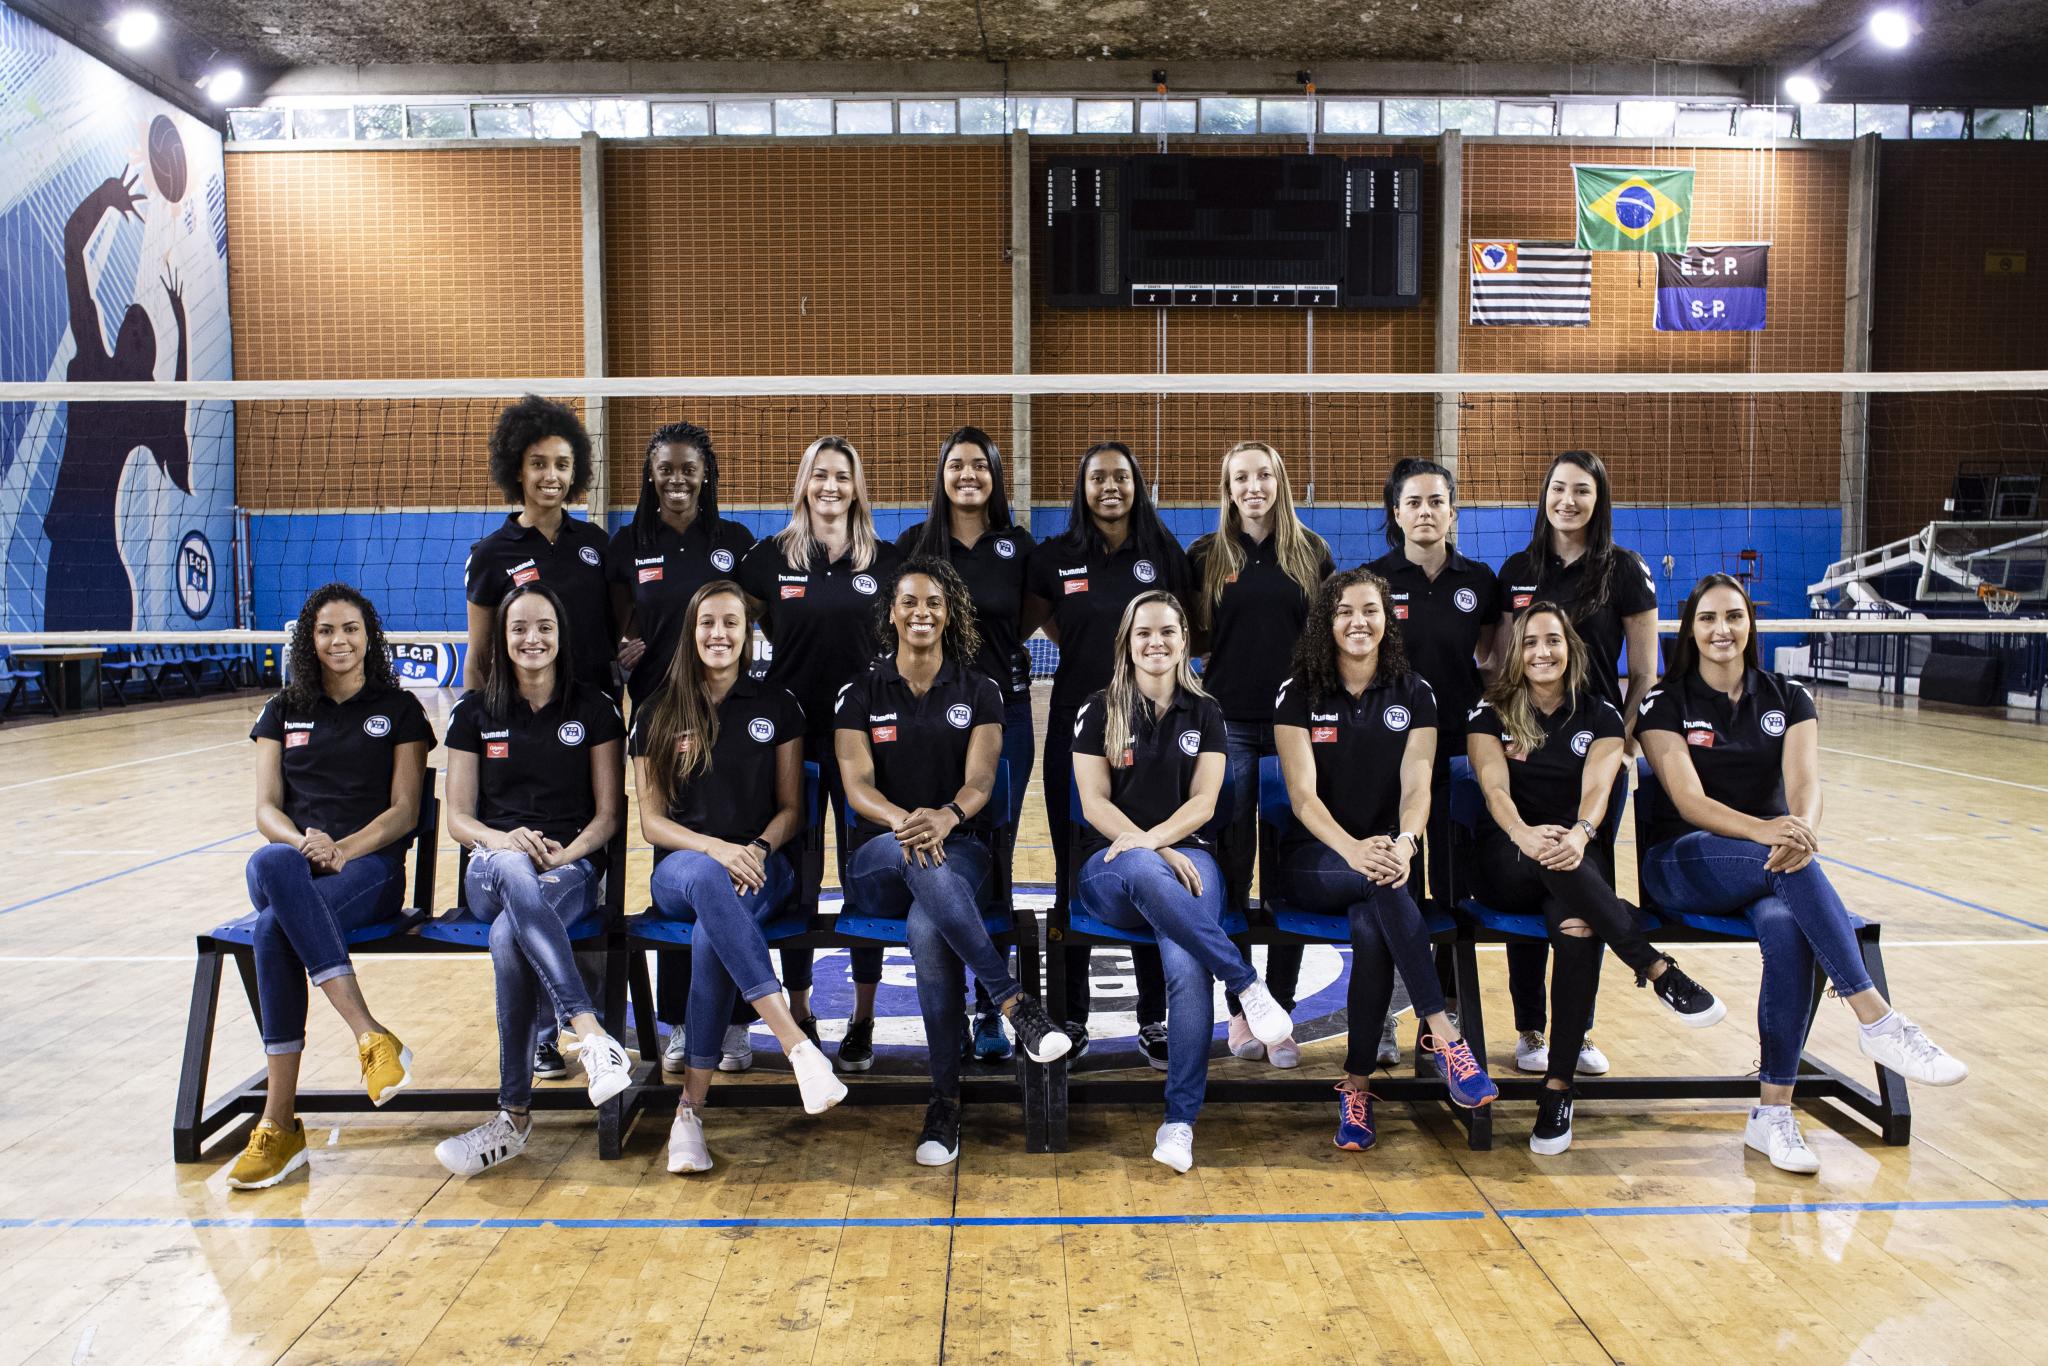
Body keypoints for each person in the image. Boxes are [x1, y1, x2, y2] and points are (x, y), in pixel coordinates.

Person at [1637, 574, 1966, 1174]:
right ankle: (1875, 1015)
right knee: (1783, 866)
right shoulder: (1665, 703)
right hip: (1682, 863)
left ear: (1750, 625)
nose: (1722, 630)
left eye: (1734, 617)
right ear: (1690, 628)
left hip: (1773, 868)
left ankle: (1772, 1114)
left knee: (1789, 929)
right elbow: (1689, 802)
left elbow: (1806, 786)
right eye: (1708, 618)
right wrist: (1772, 831)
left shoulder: (1789, 697)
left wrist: (1801, 832)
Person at [1468, 602, 1725, 1156]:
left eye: (1553, 641)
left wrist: (1581, 833)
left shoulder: (1602, 714)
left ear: (1570, 649)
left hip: (1576, 854)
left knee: (1580, 924)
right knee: (1557, 865)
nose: (1542, 651)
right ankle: (1655, 967)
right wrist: (1524, 834)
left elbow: (1599, 789)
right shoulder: (1489, 712)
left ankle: (1558, 1090)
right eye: (1531, 642)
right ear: (1517, 652)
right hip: (1508, 856)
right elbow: (1493, 789)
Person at [836, 558, 1070, 1165]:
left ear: (950, 614)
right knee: (919, 867)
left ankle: (944, 1102)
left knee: (928, 924)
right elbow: (857, 785)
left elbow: (981, 779)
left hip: (958, 849)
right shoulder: (859, 693)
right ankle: (1015, 1002)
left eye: (934, 602)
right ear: (892, 612)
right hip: (877, 856)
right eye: (909, 601)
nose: (921, 612)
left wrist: (944, 816)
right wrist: (904, 822)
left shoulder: (981, 690)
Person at [1271, 569, 1498, 1155]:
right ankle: (1445, 1034)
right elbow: (1301, 797)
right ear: (1327, 620)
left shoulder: (1416, 692)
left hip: (1387, 864)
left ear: (1387, 618)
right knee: (1378, 886)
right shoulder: (1298, 692)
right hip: (1314, 863)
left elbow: (1417, 782)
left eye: (1370, 610)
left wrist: (1406, 842)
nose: (1358, 621)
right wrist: (1354, 849)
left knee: (1374, 927)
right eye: (1345, 611)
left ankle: (1355, 1086)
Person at [1073, 590, 1292, 1173]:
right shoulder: (1098, 709)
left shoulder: (1207, 711)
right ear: (1127, 641)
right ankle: (1246, 982)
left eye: (1168, 632)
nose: (1156, 642)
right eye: (1144, 632)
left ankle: (1179, 1123)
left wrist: (1162, 843)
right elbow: (1094, 804)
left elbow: (1205, 799)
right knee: (1142, 868)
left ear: (1185, 641)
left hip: (1190, 859)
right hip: (1110, 866)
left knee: (1186, 963)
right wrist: (1151, 847)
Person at [635, 581, 849, 1174]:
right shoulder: (657, 709)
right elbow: (652, 822)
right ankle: (796, 1043)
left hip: (762, 867)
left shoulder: (777, 704)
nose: (719, 634)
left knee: (713, 933)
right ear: (691, 630)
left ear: (748, 634)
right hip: (682, 870)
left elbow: (791, 809)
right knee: (708, 883)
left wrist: (752, 848)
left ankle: (689, 1115)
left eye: (732, 622)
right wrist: (716, 850)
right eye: (708, 622)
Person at [229, 584, 432, 1189]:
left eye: (349, 629)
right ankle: (369, 1033)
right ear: (308, 640)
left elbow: (404, 810)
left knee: (274, 928)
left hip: (368, 870)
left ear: (369, 635)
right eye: (325, 631)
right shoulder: (282, 709)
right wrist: (301, 844)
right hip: (298, 861)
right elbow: (266, 809)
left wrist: (343, 849)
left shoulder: (400, 711)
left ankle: (278, 1123)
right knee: (272, 864)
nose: (338, 641)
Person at [433, 584, 636, 1177]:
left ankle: (513, 1117)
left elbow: (608, 816)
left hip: (567, 870)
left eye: (544, 627)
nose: (532, 639)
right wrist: (507, 842)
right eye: (519, 628)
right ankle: (591, 1031)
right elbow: (458, 818)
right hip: (491, 867)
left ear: (560, 634)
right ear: (502, 638)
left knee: (505, 938)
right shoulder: (474, 712)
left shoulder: (594, 708)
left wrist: (567, 854)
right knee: (514, 869)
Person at [737, 436, 903, 1070]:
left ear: (857, 487)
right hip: (792, 737)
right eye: (820, 475)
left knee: (865, 876)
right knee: (801, 878)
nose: (830, 486)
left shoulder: (884, 562)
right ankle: (801, 1011)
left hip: (864, 739)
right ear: (804, 483)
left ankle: (862, 1018)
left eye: (842, 476)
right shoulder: (771, 558)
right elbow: (725, 618)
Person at [464, 395, 618, 1081]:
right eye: (537, 464)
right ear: (516, 470)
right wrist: (490, 726)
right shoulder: (493, 553)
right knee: (530, 880)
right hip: (517, 723)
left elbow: (621, 633)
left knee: (581, 870)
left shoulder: (596, 545)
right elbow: (477, 655)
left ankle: (563, 1029)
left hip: (587, 724)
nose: (550, 476)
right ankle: (577, 1029)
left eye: (561, 464)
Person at [1493, 450, 1659, 1079]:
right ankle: (1530, 1027)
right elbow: (1505, 661)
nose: (1568, 501)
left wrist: (1626, 740)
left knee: (1583, 883)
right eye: (1558, 489)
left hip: (1594, 746)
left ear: (1599, 499)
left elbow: (1643, 670)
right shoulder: (1519, 569)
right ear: (1544, 496)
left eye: (1581, 491)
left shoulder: (1624, 570)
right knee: (1529, 867)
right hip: (1529, 742)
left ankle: (1578, 1030)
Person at [1023, 442, 1189, 1060]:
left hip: (1152, 732)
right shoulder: (1056, 556)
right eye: (1098, 477)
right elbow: (1039, 621)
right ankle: (1073, 1016)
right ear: (1082, 488)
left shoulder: (1163, 552)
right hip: (1075, 725)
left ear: (1137, 485)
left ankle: (1154, 1018)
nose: (1110, 487)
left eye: (1121, 476)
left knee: (1148, 857)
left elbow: (1183, 626)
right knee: (1072, 869)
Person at [605, 421, 757, 1074]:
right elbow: (612, 626)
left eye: (688, 467)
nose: (676, 477)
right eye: (664, 467)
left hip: (730, 713)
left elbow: (759, 617)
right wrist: (618, 659)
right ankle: (675, 1021)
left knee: (734, 862)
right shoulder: (629, 544)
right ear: (650, 474)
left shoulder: (734, 543)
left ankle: (738, 1024)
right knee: (678, 861)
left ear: (706, 474)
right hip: (665, 722)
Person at [1188, 441, 1333, 1069]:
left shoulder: (1311, 553)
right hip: (1230, 729)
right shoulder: (1206, 556)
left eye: (1264, 474)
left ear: (1280, 481)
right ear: (1227, 487)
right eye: (1241, 477)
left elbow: (1327, 642)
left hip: (1294, 728)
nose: (1254, 486)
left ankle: (1285, 1011)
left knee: (1286, 872)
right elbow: (1188, 639)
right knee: (1234, 867)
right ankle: (1242, 1009)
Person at [897, 425, 1037, 1064]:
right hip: (931, 715)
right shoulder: (917, 544)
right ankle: (966, 997)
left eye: (980, 466)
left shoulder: (1018, 546)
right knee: (938, 842)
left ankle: (989, 1010)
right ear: (942, 475)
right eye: (957, 465)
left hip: (1001, 709)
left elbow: (1033, 617)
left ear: (995, 476)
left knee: (996, 849)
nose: (968, 476)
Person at [1364, 456, 1501, 1067]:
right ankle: (1397, 1012)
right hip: (1387, 757)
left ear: (1453, 511)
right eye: (1413, 502)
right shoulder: (1372, 578)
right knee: (1397, 886)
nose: (1425, 511)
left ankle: (1442, 1018)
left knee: (1450, 888)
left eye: (1436, 501)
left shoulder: (1480, 580)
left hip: (1458, 754)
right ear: (1396, 513)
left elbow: (1495, 664)